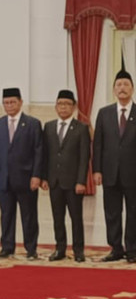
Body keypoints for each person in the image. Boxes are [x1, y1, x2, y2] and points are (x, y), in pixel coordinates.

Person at [0, 88, 43, 260]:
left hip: (26, 179)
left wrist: (36, 175)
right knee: (6, 215)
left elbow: (38, 151)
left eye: (13, 102)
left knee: (29, 216)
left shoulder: (33, 123)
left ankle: (31, 248)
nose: (9, 105)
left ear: (20, 102)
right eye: (6, 102)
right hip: (4, 179)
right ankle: (7, 246)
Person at [41, 90, 90, 262]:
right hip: (54, 181)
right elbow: (45, 155)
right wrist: (44, 177)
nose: (63, 107)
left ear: (74, 107)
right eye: (60, 104)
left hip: (73, 182)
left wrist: (81, 181)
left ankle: (78, 250)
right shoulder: (48, 126)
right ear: (55, 107)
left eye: (67, 104)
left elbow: (85, 157)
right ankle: (60, 248)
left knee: (76, 218)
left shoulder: (81, 128)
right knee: (57, 217)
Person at [93, 69, 136, 263]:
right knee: (112, 212)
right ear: (113, 90)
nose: (122, 88)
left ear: (132, 89)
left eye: (126, 84)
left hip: (133, 173)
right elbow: (98, 144)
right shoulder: (104, 113)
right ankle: (115, 248)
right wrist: (97, 170)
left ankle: (133, 249)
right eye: (118, 85)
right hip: (109, 172)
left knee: (134, 212)